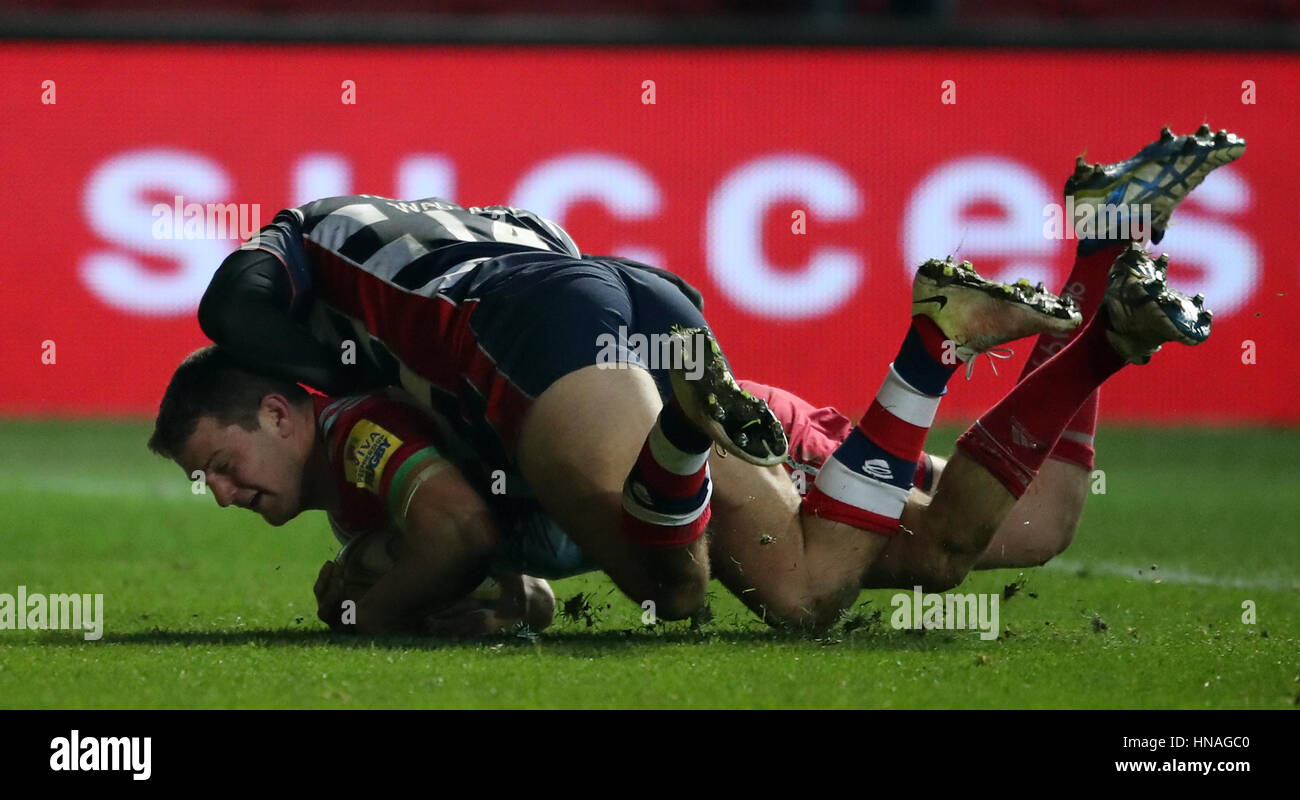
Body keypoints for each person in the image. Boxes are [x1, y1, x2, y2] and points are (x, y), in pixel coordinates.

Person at [194, 196, 786, 623]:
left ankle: (686, 432)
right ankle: (857, 455)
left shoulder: (309, 232)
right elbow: (644, 291)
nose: (219, 492)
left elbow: (231, 310)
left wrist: (352, 379)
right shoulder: (499, 223)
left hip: (526, 334)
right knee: (801, 593)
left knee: (666, 588)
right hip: (638, 298)